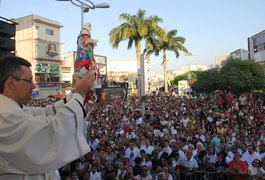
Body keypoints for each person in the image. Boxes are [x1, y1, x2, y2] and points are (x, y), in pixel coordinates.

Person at [0, 56, 96, 179]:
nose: (33, 86)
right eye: (29, 81)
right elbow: (50, 131)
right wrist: (79, 94)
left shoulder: (16, 109)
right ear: (11, 82)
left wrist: (74, 93)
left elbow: (47, 113)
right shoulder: (4, 116)